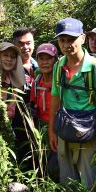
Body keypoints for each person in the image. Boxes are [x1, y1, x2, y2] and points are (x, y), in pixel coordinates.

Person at [48, 18, 96, 189]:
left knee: (90, 183)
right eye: (62, 40)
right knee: (67, 181)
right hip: (64, 129)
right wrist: (51, 130)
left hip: (89, 133)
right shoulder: (59, 66)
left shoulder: (95, 68)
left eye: (71, 39)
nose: (67, 44)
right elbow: (55, 98)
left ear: (82, 38)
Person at [30, 43, 59, 179]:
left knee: (54, 167)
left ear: (56, 60)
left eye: (49, 58)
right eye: (41, 58)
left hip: (58, 129)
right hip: (41, 129)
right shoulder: (37, 81)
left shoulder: (60, 81)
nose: (45, 62)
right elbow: (33, 103)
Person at [0, 42, 27, 121]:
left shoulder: (14, 82)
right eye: (5, 55)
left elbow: (11, 111)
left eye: (13, 56)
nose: (9, 59)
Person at [12, 27, 38, 93]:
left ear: (33, 44)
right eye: (21, 43)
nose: (25, 47)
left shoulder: (40, 67)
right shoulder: (8, 68)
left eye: (28, 43)